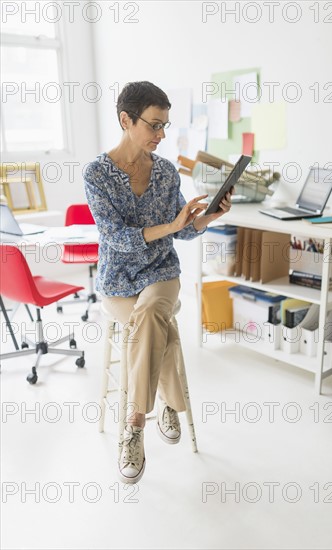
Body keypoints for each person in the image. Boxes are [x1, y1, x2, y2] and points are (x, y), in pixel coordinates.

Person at [84, 81, 233, 484]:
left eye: (164, 125)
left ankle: (132, 424)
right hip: (118, 278)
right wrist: (170, 224)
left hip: (161, 273)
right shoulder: (97, 173)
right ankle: (167, 400)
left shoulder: (166, 171)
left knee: (151, 311)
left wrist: (205, 220)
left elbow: (180, 232)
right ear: (125, 120)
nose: (161, 135)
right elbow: (115, 237)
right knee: (155, 325)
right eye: (154, 125)